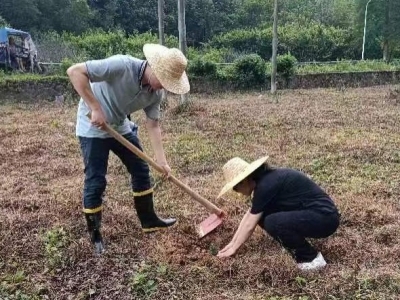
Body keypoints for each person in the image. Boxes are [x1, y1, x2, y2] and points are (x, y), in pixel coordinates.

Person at [67, 44, 190, 254]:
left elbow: (153, 125)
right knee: (96, 180)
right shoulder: (121, 65)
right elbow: (75, 71)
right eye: (164, 81)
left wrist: (162, 161)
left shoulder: (155, 94)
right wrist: (95, 108)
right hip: (93, 126)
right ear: (154, 68)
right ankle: (95, 236)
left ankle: (149, 220)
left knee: (141, 170)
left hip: (119, 126)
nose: (163, 87)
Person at [216, 156, 340, 271]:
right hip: (315, 215)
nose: (237, 192)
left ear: (244, 181)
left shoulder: (266, 185)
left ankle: (310, 258)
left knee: (273, 222)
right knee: (263, 216)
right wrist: (232, 243)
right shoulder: (266, 181)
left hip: (325, 218)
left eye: (235, 188)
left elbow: (250, 225)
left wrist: (234, 249)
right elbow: (250, 215)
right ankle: (294, 241)